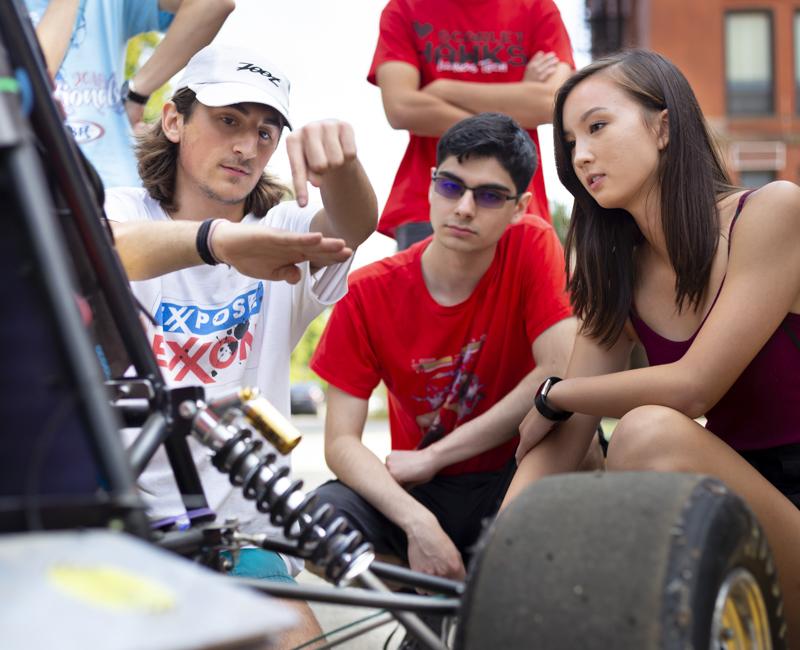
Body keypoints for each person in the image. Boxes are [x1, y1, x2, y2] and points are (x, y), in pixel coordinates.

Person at [506, 49, 800, 644]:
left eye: (597, 126)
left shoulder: (773, 213)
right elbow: (562, 442)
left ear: (663, 126)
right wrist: (496, 555)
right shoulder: (616, 272)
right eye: (567, 141)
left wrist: (556, 393)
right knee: (583, 475)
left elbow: (694, 387)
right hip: (734, 509)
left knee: (644, 434)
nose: (579, 154)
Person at [104, 42, 378, 647]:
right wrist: (216, 241)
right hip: (122, 532)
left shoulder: (278, 230)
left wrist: (345, 170)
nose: (248, 146)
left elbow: (353, 225)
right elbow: (107, 247)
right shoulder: (122, 206)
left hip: (243, 536)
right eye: (228, 120)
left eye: (266, 132)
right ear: (174, 120)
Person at [309, 113, 581, 586]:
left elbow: (557, 370)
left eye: (490, 195)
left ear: (521, 207)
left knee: (579, 443)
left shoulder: (532, 243)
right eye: (451, 186)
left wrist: (436, 455)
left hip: (514, 470)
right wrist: (418, 522)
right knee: (316, 529)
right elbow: (340, 443)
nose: (464, 208)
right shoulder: (367, 292)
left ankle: (500, 608)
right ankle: (430, 607)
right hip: (422, 490)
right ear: (432, 186)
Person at [369, 0, 574, 248]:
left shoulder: (537, 8)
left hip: (514, 204)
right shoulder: (405, 8)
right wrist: (519, 94)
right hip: (430, 206)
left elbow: (550, 103)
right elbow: (401, 108)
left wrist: (442, 89)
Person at [25, 0, 234, 188]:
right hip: (29, 184)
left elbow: (215, 4)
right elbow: (37, 81)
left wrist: (137, 93)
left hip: (112, 188)